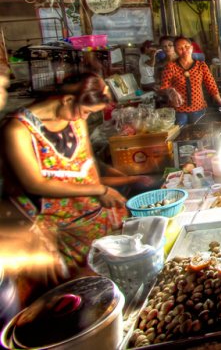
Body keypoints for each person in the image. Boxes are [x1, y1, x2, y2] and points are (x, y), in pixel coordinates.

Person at [1, 73, 127, 281]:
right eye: (85, 111)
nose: (84, 118)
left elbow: (87, 162)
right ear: (68, 99)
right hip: (52, 230)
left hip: (91, 216)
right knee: (82, 284)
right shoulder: (17, 129)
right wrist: (99, 190)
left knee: (113, 268)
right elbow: (34, 184)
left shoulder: (74, 119)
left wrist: (103, 196)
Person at [159, 36, 221, 126]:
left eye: (187, 46)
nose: (184, 50)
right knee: (180, 135)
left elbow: (211, 85)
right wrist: (170, 91)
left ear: (192, 48)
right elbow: (164, 86)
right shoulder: (170, 67)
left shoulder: (201, 65)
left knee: (200, 134)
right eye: (180, 48)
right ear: (176, 50)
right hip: (178, 111)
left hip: (198, 109)